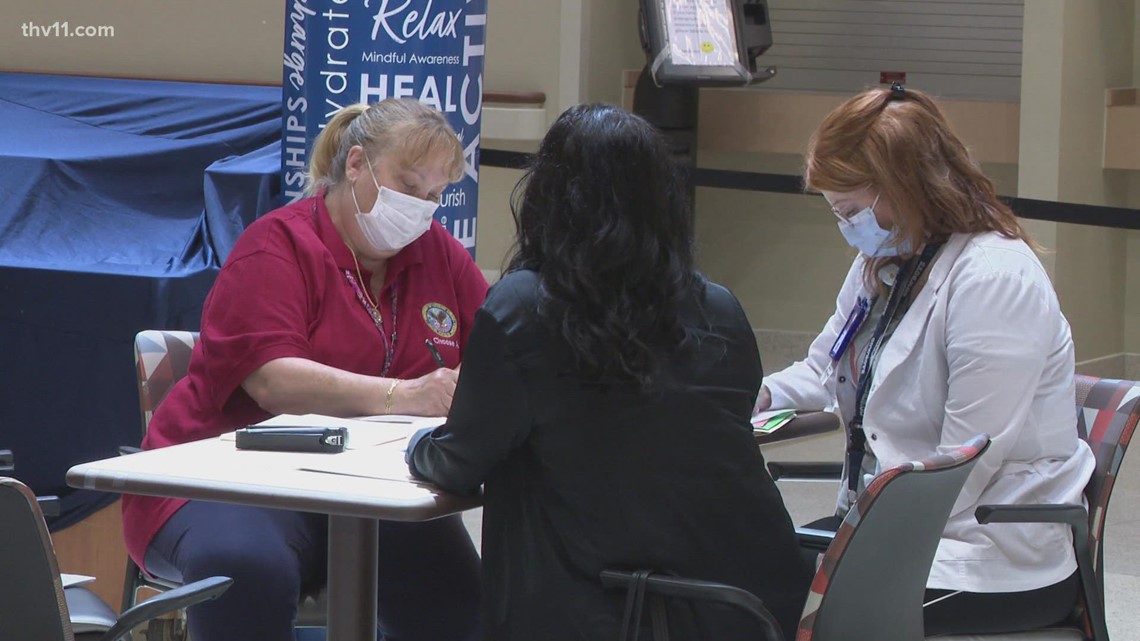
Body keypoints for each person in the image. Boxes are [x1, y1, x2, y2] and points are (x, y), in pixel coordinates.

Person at [405, 103, 812, 641]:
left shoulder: (524, 308)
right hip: (746, 607)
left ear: (548, 198)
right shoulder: (720, 308)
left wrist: (416, 446)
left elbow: (458, 461)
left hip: (599, 610)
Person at [121, 98, 485, 641]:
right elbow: (275, 380)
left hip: (372, 489)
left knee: (461, 599)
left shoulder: (437, 254)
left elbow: (498, 350)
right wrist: (403, 394)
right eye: (408, 186)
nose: (419, 209)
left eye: (434, 196)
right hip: (227, 483)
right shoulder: (276, 245)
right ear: (356, 164)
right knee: (246, 569)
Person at [755, 84, 1096, 635]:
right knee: (751, 584)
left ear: (904, 187)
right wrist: (755, 394)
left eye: (851, 210)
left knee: (810, 609)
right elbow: (826, 369)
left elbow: (962, 467)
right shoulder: (884, 262)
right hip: (904, 528)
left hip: (990, 551)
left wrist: (862, 545)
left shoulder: (995, 278)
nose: (845, 226)